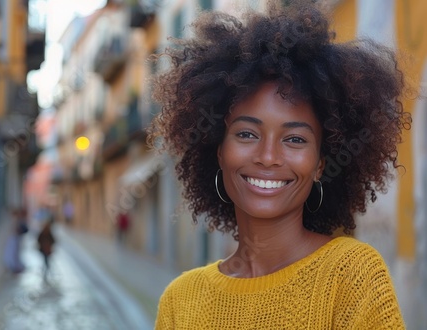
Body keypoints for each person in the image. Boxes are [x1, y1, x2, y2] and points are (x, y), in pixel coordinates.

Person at [148, 1, 411, 329]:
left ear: (320, 164)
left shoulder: (351, 276)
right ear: (218, 150)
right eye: (246, 133)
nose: (268, 156)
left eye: (295, 140)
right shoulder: (180, 299)